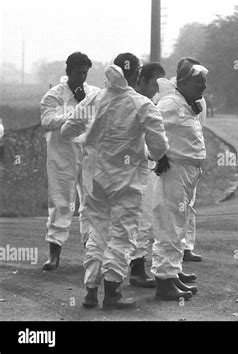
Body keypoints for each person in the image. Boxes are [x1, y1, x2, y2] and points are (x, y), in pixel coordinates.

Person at [61, 53, 169, 309]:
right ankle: (112, 293)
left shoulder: (94, 98)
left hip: (95, 180)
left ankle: (90, 292)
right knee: (122, 234)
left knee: (97, 231)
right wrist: (151, 154)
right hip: (127, 182)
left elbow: (68, 130)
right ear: (135, 75)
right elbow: (159, 146)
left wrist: (89, 140)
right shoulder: (142, 104)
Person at [151, 59, 209, 300]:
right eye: (198, 83)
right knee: (170, 224)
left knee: (179, 224)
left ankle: (172, 272)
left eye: (204, 83)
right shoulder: (169, 103)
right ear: (183, 82)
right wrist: (158, 154)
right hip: (174, 171)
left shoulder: (186, 102)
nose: (203, 87)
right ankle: (164, 281)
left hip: (187, 172)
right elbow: (148, 127)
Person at [40, 52, 100, 271]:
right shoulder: (54, 95)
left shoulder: (94, 93)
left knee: (92, 200)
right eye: (78, 72)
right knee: (61, 201)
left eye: (85, 72)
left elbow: (102, 117)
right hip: (62, 153)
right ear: (68, 72)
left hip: (88, 151)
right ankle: (54, 253)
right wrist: (75, 116)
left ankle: (91, 249)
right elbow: (46, 121)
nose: (82, 77)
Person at [128, 62, 167, 288]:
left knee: (145, 217)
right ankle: (134, 269)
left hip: (145, 166)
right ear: (141, 79)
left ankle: (136, 265)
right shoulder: (132, 103)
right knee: (136, 217)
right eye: (155, 83)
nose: (157, 89)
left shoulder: (153, 104)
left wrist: (159, 155)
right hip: (128, 168)